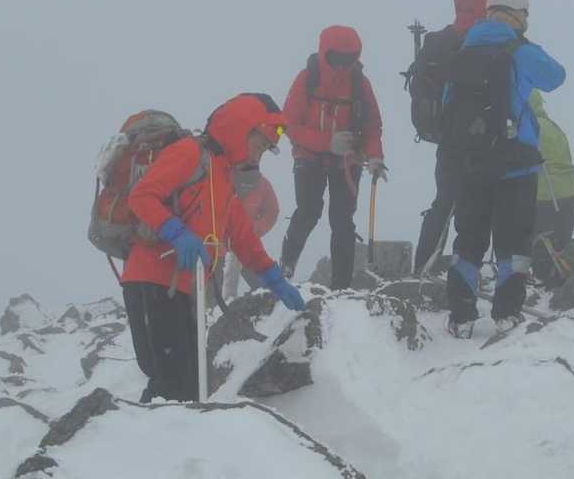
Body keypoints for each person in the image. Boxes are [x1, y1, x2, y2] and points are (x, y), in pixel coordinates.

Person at [122, 93, 306, 402]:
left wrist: (276, 280)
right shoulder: (189, 153)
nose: (260, 154)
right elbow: (142, 197)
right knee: (173, 385)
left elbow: (245, 240)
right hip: (151, 279)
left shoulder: (223, 179)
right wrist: (177, 233)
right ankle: (135, 430)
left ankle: (157, 430)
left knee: (188, 386)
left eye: (265, 149)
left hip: (185, 289)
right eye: (260, 144)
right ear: (241, 130)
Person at [445, 0, 567, 335]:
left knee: (468, 238)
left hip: (471, 162)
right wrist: (525, 45)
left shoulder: (464, 51)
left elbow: (448, 106)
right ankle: (507, 314)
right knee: (513, 242)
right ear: (518, 15)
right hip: (515, 162)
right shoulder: (520, 51)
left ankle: (461, 315)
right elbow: (556, 76)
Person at [278, 25, 387, 289]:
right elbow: (285, 125)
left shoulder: (359, 83)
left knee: (342, 220)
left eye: (348, 59)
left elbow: (372, 125)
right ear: (324, 52)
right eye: (336, 58)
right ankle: (285, 268)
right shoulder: (307, 79)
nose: (341, 66)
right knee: (308, 212)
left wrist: (375, 156)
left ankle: (341, 287)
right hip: (309, 157)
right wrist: (328, 142)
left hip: (347, 161)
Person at [409, 0, 494, 275]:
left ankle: (423, 267)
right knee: (479, 205)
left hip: (446, 138)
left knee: (444, 203)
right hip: (481, 138)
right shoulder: (484, 39)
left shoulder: (439, 41)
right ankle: (467, 270)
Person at [531, 89, 574, 278]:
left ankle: (545, 281)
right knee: (560, 249)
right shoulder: (553, 126)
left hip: (545, 195)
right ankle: (561, 283)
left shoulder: (529, 126)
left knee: (539, 247)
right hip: (570, 194)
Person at [221, 169, 281, 298]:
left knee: (236, 268)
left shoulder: (262, 184)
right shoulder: (224, 178)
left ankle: (228, 301)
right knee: (226, 271)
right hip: (218, 238)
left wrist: (255, 229)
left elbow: (272, 211)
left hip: (244, 239)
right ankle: (226, 302)